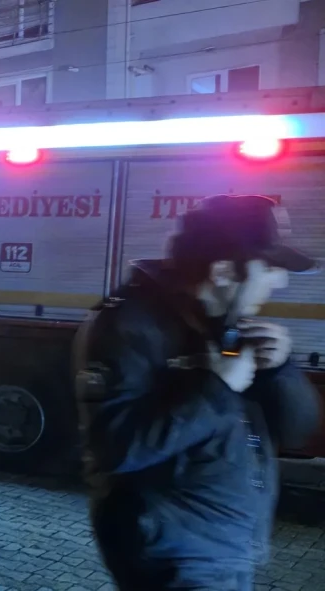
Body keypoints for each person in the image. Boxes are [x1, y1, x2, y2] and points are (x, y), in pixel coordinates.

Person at [74, 194, 321, 590]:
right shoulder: (129, 326)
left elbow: (296, 432)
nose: (281, 280)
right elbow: (116, 448)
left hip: (223, 548)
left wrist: (281, 371)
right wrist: (218, 387)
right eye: (269, 267)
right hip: (177, 556)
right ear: (223, 271)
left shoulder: (221, 324)